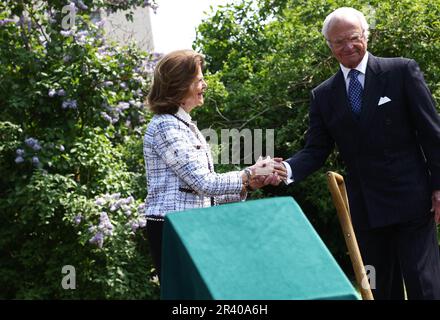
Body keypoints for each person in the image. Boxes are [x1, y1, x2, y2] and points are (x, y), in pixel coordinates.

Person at [281, 7, 440, 299]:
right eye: (338, 42)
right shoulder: (323, 95)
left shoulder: (401, 71)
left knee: (424, 286)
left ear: (365, 36)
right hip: (366, 210)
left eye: (353, 38)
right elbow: (315, 150)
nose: (347, 46)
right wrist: (286, 170)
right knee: (378, 289)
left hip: (413, 201)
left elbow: (432, 134)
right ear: (329, 46)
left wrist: (439, 187)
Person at [143, 49, 287, 280]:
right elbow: (204, 183)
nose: (205, 85)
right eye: (199, 80)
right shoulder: (165, 127)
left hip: (192, 226)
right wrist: (249, 173)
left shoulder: (183, 125)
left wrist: (249, 184)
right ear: (180, 86)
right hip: (175, 230)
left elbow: (201, 195)